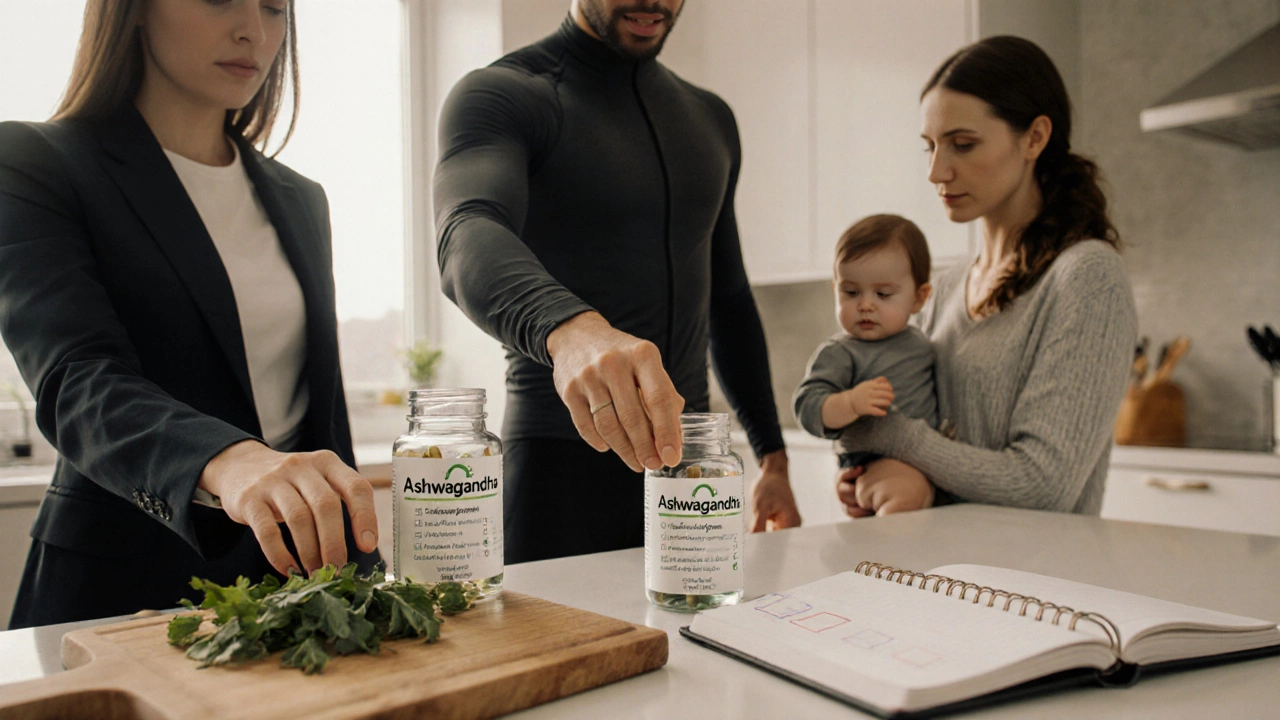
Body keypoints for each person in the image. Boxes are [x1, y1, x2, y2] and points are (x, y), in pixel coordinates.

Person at [0, 0, 380, 628]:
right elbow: (76, 379)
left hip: (297, 590)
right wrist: (233, 460)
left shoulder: (300, 199)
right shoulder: (35, 163)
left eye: (275, 9)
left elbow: (320, 416)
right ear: (135, 12)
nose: (253, 32)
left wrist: (361, 574)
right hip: (122, 592)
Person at [433, 0, 800, 563]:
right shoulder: (506, 93)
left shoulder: (711, 118)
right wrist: (572, 330)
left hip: (688, 473)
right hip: (557, 477)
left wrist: (772, 456)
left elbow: (728, 297)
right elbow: (466, 229)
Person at [832, 35, 1137, 517]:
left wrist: (895, 440)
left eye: (963, 144)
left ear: (1034, 138)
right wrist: (870, 471)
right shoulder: (945, 285)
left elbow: (1043, 486)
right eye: (929, 147)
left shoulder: (1087, 278)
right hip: (936, 573)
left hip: (1028, 588)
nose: (936, 171)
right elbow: (916, 430)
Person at [792, 214, 938, 516]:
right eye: (851, 292)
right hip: (873, 462)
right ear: (836, 290)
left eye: (883, 294)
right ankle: (883, 561)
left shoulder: (923, 345)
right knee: (904, 498)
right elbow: (806, 407)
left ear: (919, 298)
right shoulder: (841, 352)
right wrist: (850, 402)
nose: (866, 304)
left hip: (930, 462)